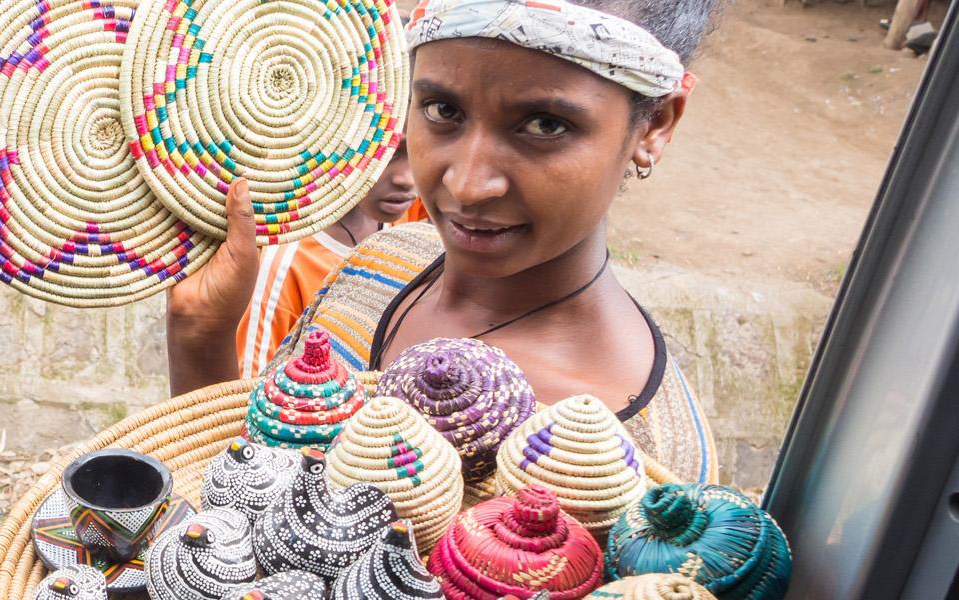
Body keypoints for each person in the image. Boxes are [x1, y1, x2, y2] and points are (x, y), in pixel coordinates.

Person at [170, 0, 722, 483]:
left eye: (546, 125)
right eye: (442, 110)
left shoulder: (645, 460)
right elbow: (239, 499)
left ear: (654, 127)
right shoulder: (380, 266)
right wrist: (202, 332)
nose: (467, 184)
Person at [235, 139, 419, 377]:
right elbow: (250, 391)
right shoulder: (284, 266)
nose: (407, 179)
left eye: (416, 148)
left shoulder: (403, 217)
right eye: (385, 152)